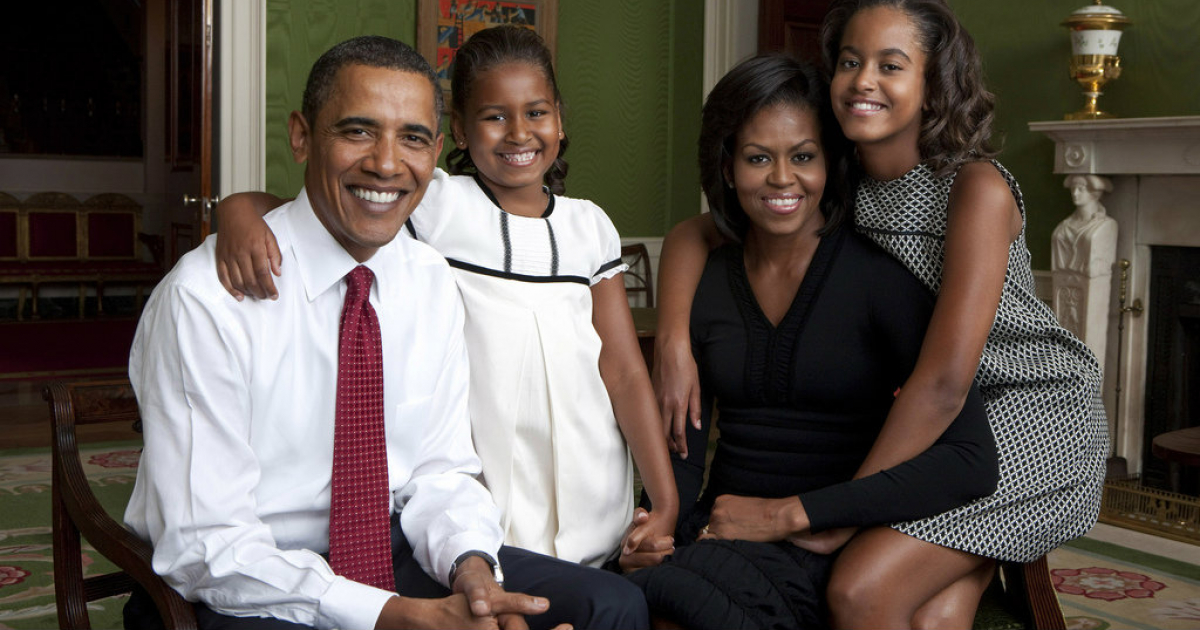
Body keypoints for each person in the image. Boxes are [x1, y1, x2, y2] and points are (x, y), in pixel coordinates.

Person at [123, 35, 647, 630]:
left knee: (613, 605)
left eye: (413, 138)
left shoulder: (427, 278)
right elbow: (205, 546)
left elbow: (442, 472)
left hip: (388, 547)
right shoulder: (206, 298)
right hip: (246, 577)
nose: (387, 163)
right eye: (357, 131)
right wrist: (395, 617)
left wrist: (472, 569)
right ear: (300, 136)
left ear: (437, 149)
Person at [653, 0, 1109, 627]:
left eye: (891, 65)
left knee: (858, 589)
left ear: (934, 85)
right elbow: (695, 233)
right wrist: (674, 337)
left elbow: (946, 382)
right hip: (943, 422)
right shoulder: (840, 180)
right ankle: (969, 571)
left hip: (1030, 413)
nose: (864, 79)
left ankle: (974, 560)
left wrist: (832, 510)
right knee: (933, 614)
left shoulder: (976, 188)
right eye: (849, 61)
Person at [624, 53, 998, 630]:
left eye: (803, 156)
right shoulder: (706, 278)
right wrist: (657, 526)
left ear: (830, 163)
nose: (781, 179)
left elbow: (969, 462)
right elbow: (684, 447)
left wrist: (806, 516)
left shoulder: (881, 276)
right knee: (631, 596)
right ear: (727, 168)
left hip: (831, 542)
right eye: (756, 158)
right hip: (724, 530)